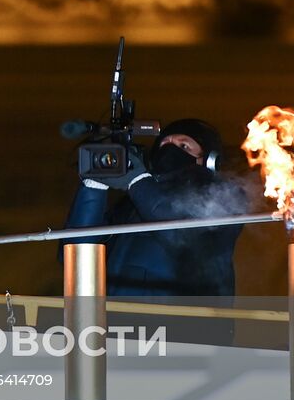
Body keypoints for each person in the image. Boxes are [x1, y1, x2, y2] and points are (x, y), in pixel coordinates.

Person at [64, 118, 248, 297]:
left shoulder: (223, 195)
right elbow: (76, 253)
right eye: (164, 144)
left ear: (209, 160)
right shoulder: (132, 203)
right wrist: (93, 188)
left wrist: (137, 182)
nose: (170, 150)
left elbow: (183, 237)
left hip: (183, 321)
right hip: (116, 317)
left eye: (184, 146)